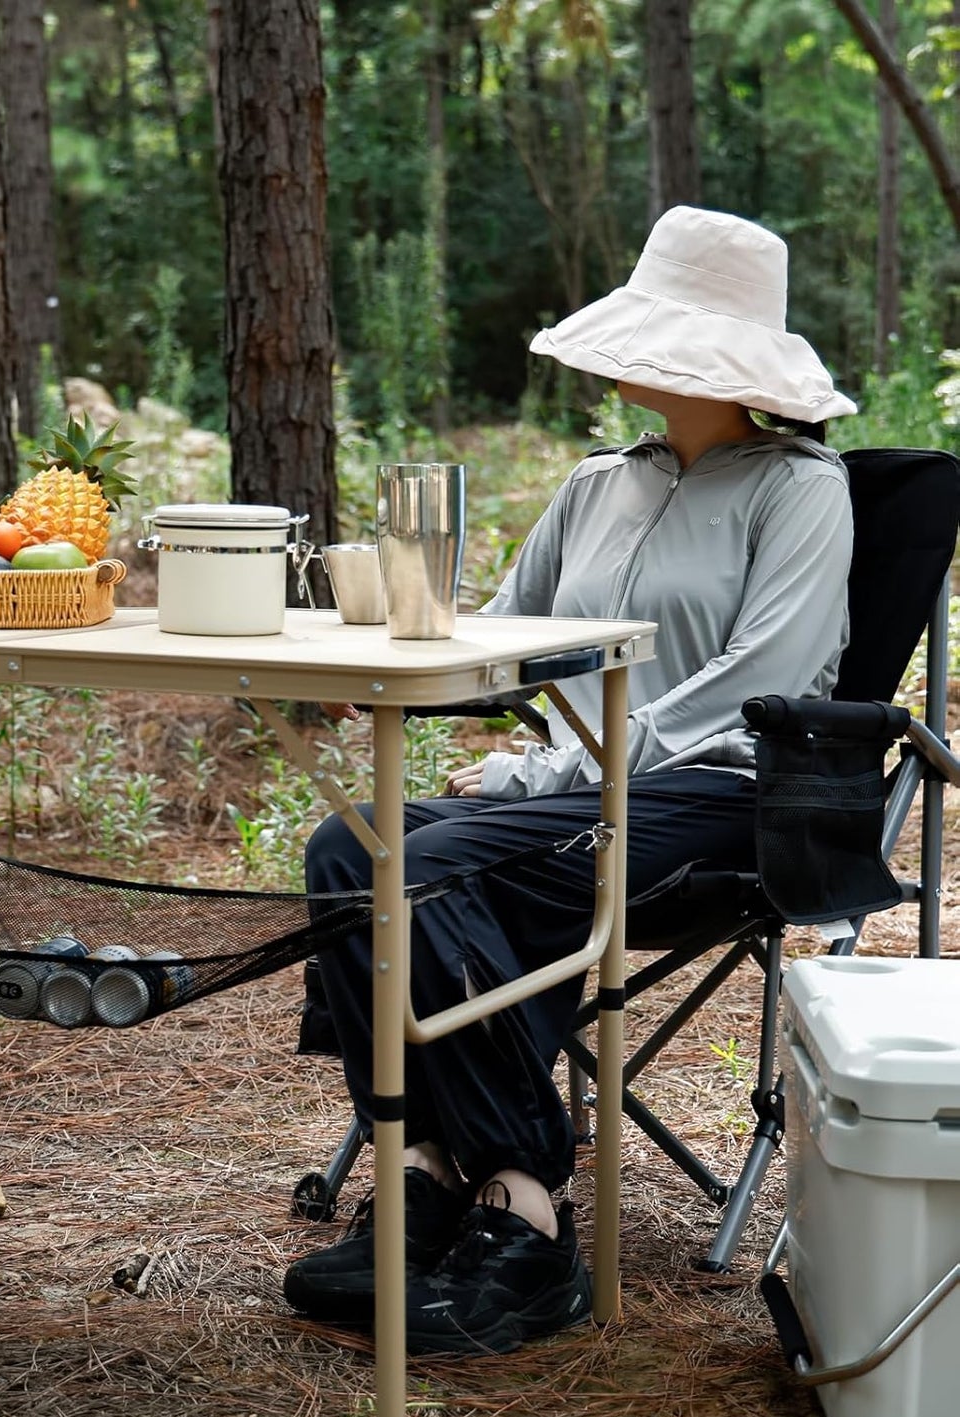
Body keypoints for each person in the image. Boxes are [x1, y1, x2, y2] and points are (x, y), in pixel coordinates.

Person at [283, 205, 858, 1355]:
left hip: (719, 794)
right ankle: (430, 1175)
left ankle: (517, 1206)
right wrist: (371, 658)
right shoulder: (597, 483)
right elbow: (500, 635)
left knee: (431, 873)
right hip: (560, 797)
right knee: (345, 847)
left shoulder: (799, 488)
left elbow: (762, 682)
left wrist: (555, 763)